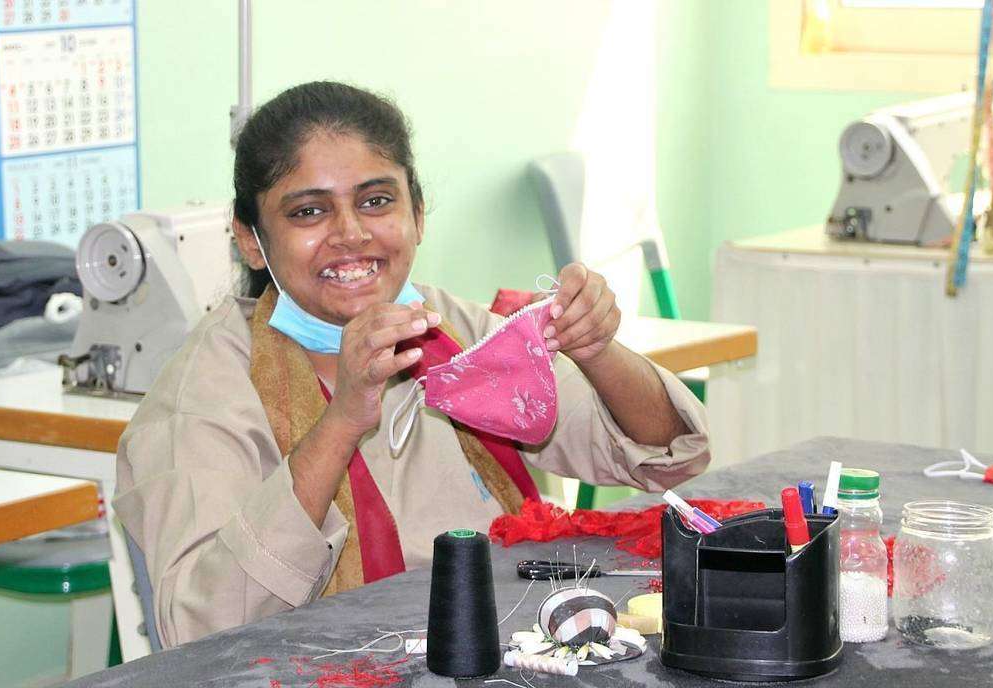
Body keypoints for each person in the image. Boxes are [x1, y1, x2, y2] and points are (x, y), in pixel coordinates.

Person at [114, 81, 709, 649]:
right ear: (250, 239)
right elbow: (199, 630)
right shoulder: (205, 393)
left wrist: (598, 349)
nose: (349, 234)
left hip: (490, 651)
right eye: (307, 212)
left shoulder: (457, 334)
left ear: (418, 215)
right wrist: (343, 418)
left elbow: (666, 456)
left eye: (376, 201)